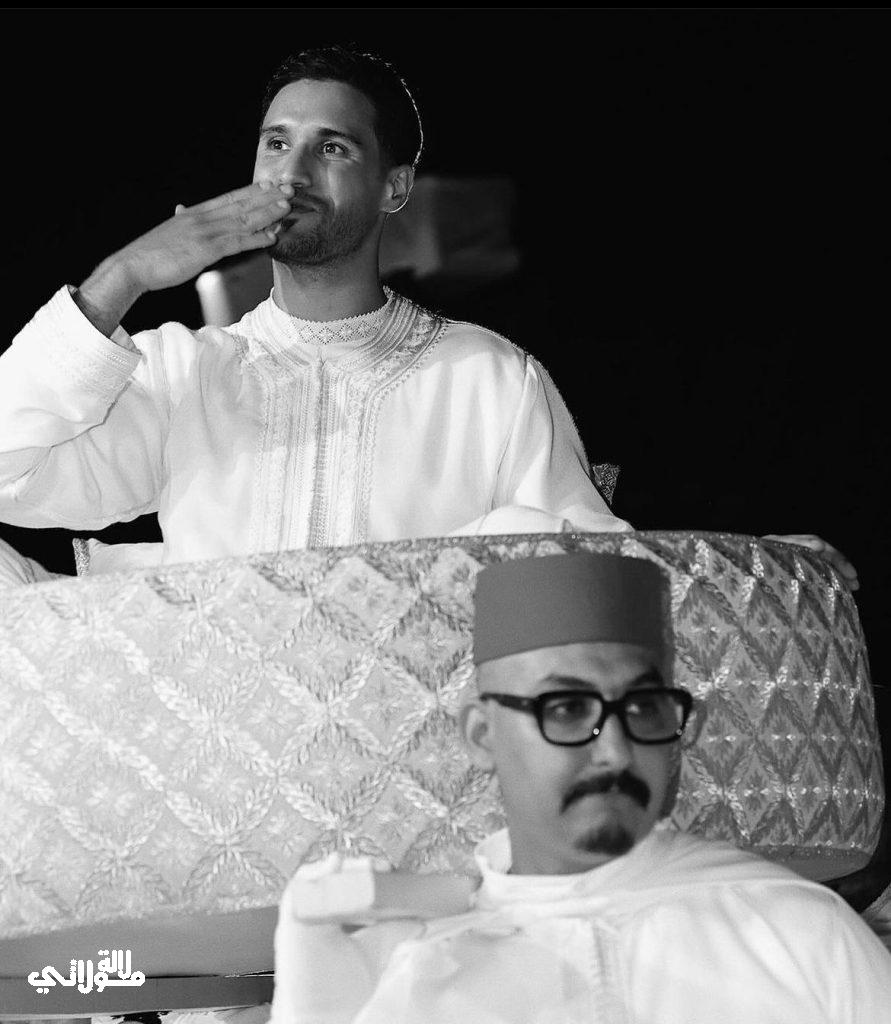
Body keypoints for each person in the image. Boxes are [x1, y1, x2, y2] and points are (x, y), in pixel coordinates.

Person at [0, 45, 629, 587]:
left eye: (331, 147)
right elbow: (10, 474)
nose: (293, 174)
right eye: (277, 143)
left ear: (395, 188)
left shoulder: (488, 377)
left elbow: (591, 580)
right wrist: (123, 276)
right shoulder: (184, 370)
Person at [269, 552, 890, 1023]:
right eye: (566, 709)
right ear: (482, 735)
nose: (615, 751)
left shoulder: (800, 935)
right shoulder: (418, 973)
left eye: (643, 708)